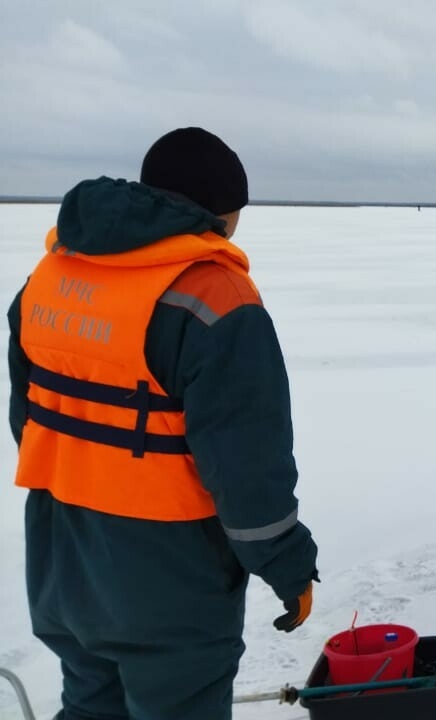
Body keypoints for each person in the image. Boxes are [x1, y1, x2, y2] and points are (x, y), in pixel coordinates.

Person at [7, 127, 319, 720]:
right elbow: (248, 470)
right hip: (167, 583)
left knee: (91, 705)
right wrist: (289, 566)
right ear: (221, 214)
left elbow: (31, 419)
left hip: (62, 562)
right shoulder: (215, 299)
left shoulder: (47, 279)